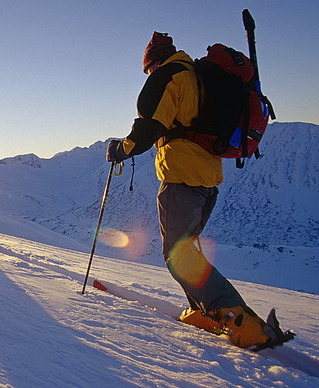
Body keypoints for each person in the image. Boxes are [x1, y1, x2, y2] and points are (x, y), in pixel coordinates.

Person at [106, 32, 285, 349]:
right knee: (186, 250)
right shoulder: (197, 75)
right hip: (207, 179)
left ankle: (241, 321)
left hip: (182, 177)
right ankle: (209, 312)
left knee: (179, 255)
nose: (149, 74)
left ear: (152, 61)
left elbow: (150, 126)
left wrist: (122, 149)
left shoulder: (169, 76)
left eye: (148, 70)